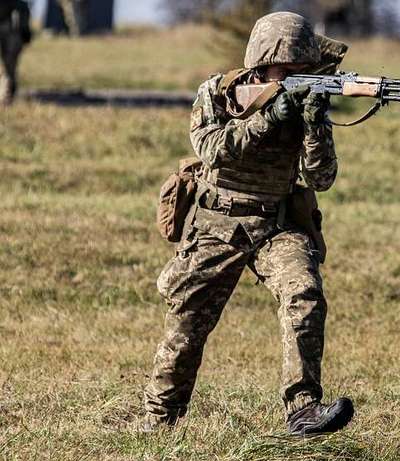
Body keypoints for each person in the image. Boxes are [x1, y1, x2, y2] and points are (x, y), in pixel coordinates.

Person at [139, 12, 354, 436]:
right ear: (261, 61)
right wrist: (270, 117)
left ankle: (304, 408)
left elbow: (321, 179)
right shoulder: (218, 92)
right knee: (188, 323)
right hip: (216, 221)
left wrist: (313, 125)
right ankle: (159, 420)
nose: (295, 75)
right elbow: (213, 148)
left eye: (302, 69)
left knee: (304, 294)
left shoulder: (304, 101)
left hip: (277, 223)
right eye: (286, 68)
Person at [0, 0, 31, 104]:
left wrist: (24, 28)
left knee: (13, 44)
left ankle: (8, 88)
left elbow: (21, 7)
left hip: (8, 24)